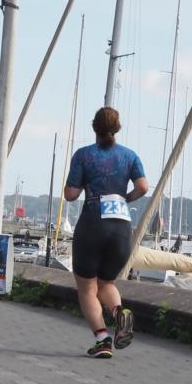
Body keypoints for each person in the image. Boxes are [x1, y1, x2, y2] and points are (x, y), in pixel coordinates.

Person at [63, 107, 148, 358]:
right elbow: (143, 186)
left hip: (92, 224)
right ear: (117, 127)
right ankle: (120, 312)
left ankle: (102, 340)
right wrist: (124, 198)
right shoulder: (130, 156)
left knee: (88, 289)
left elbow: (71, 194)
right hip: (121, 227)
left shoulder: (83, 155)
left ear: (94, 127)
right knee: (107, 283)